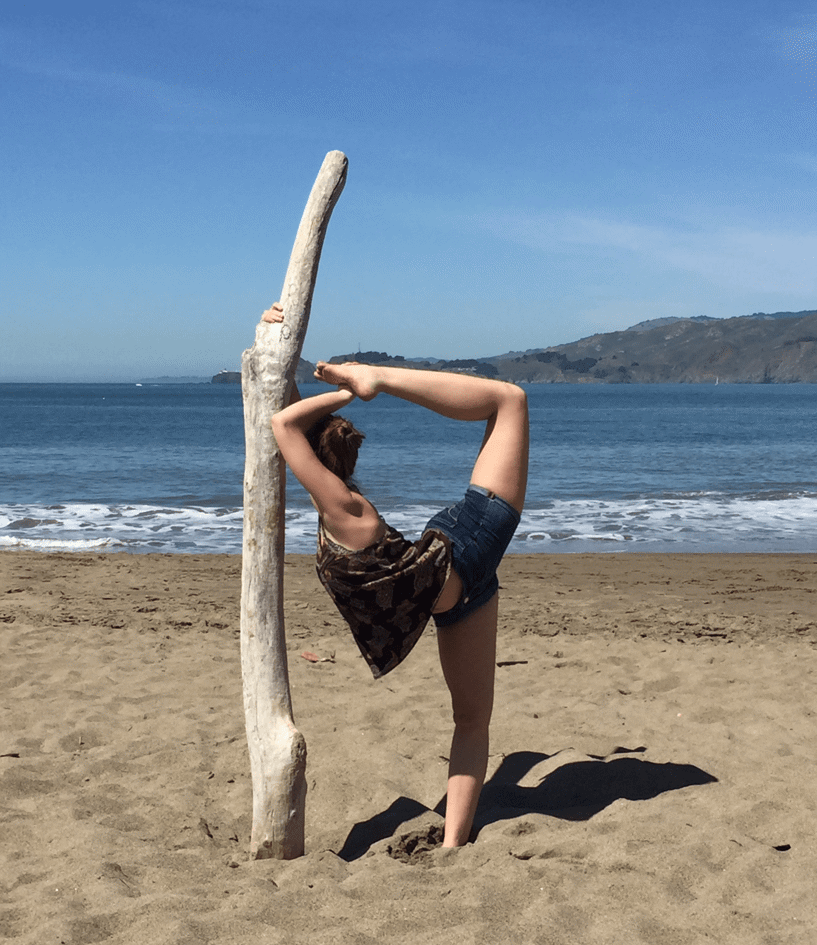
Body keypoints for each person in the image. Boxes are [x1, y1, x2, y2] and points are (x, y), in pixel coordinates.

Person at [263, 302, 529, 847]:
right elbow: (285, 417)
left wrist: (306, 364)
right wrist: (347, 383)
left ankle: (456, 843)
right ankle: (454, 842)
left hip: (458, 560)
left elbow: (285, 421)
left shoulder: (339, 514)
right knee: (508, 401)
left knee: (473, 719)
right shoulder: (345, 507)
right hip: (461, 569)